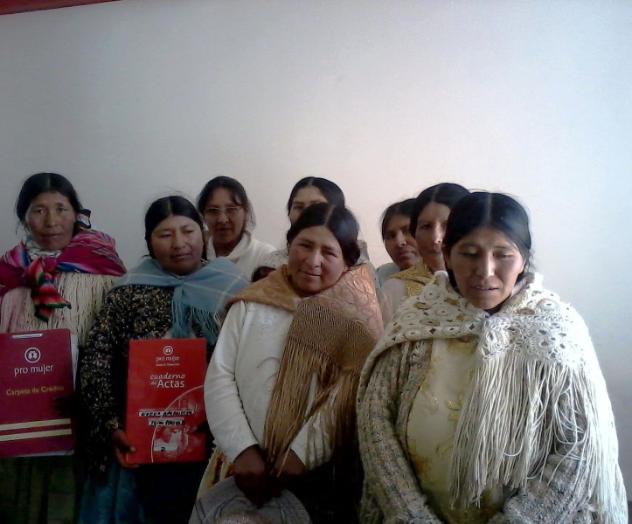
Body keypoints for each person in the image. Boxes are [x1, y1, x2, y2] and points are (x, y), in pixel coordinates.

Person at [357, 192, 627, 523]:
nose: (485, 271)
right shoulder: (417, 318)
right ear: (447, 255)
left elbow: (581, 445)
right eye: (469, 254)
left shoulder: (557, 329)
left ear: (524, 259)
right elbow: (376, 418)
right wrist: (411, 515)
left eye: (503, 255)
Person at [201, 203, 383, 523]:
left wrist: (301, 455)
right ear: (289, 245)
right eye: (305, 245)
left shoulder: (356, 324)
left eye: (329, 252)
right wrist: (242, 449)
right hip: (240, 468)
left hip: (319, 478)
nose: (313, 260)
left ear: (347, 261)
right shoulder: (252, 302)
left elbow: (346, 396)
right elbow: (220, 376)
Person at [79, 196, 248, 524]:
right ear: (149, 242)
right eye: (165, 235)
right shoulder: (127, 292)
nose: (179, 243)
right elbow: (97, 359)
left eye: (188, 231)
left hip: (216, 438)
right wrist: (111, 426)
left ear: (203, 234)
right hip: (144, 441)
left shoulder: (233, 288)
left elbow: (248, 360)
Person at [0, 172, 126, 524]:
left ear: (76, 213)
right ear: (24, 217)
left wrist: (91, 396)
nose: (51, 220)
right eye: (39, 210)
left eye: (60, 208)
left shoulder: (105, 274)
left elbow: (120, 351)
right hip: (25, 428)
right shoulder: (9, 276)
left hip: (86, 423)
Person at [380, 183, 468, 323]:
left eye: (447, 225)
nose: (436, 238)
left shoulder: (490, 284)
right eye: (426, 226)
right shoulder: (394, 289)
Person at [198, 176, 275, 280]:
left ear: (246, 212)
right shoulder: (195, 254)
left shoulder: (265, 256)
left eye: (231, 209)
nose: (222, 219)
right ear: (203, 215)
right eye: (213, 210)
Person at [375, 199, 420, 286]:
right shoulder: (380, 277)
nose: (399, 242)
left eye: (408, 231)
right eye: (391, 236)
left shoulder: (446, 279)